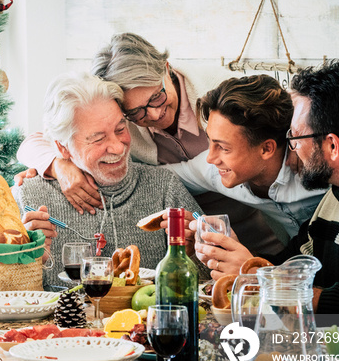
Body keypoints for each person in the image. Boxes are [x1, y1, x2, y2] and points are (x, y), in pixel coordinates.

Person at [16, 32, 284, 255]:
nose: (155, 115)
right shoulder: (121, 118)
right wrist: (57, 165)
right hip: (201, 227)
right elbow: (43, 138)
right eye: (137, 112)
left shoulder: (219, 94)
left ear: (166, 69)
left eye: (157, 97)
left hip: (263, 219)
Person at [196, 60, 339, 314]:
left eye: (295, 136)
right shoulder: (337, 194)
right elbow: (294, 263)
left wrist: (260, 279)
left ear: (332, 145)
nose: (291, 149)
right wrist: (242, 260)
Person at [13, 71, 206, 290]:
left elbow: (209, 285)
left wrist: (192, 254)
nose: (117, 147)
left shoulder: (165, 187)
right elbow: (1, 295)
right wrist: (24, 260)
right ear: (62, 147)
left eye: (120, 129)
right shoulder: (28, 196)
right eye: (98, 138)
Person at [163, 74, 327, 256]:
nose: (210, 158)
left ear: (267, 148)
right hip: (292, 267)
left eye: (223, 148)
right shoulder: (215, 170)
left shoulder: (319, 163)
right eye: (210, 141)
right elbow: (160, 178)